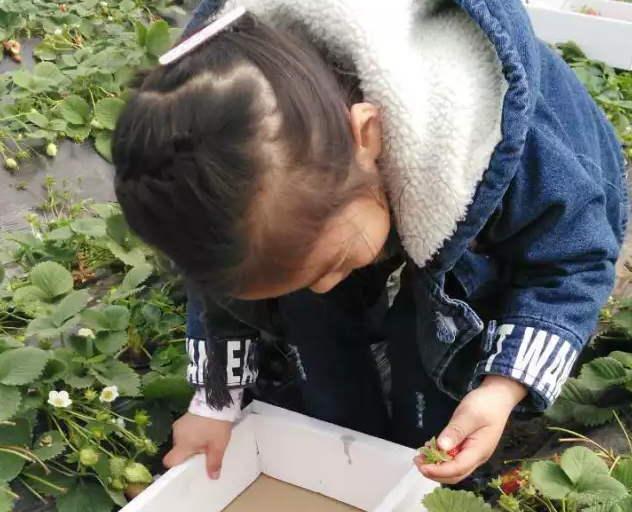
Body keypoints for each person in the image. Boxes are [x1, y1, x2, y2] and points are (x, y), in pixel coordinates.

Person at [112, 0, 628, 486]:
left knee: (435, 334)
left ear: (368, 135)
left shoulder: (494, 148)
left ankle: (420, 453)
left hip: (520, 204)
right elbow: (218, 288)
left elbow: (572, 265)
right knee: (306, 309)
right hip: (353, 198)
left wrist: (502, 388)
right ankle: (346, 429)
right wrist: (214, 401)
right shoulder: (228, 154)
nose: (325, 285)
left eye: (333, 264)